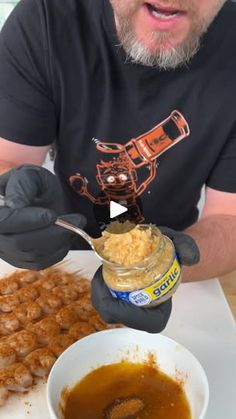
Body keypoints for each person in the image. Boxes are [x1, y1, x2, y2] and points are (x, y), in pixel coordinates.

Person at [0, 0, 235, 333]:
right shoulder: (46, 18)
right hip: (62, 255)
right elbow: (8, 159)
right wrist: (10, 204)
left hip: (183, 279)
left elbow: (230, 218)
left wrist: (169, 265)